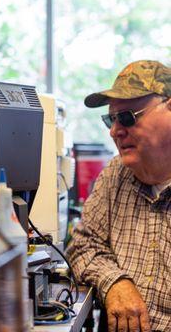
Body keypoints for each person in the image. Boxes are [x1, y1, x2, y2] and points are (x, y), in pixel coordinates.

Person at [66, 60, 171, 332]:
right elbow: (82, 245)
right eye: (110, 119)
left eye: (127, 117)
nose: (115, 131)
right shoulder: (116, 174)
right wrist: (115, 282)